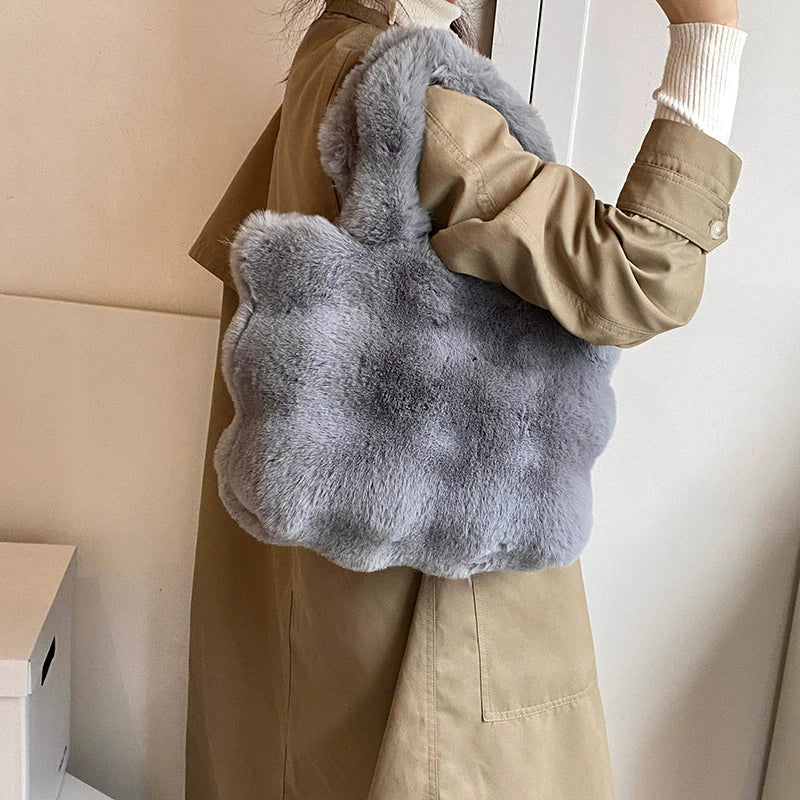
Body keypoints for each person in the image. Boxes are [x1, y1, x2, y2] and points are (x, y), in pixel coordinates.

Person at [185, 1, 747, 797]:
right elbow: (642, 278)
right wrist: (707, 32)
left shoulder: (331, 50)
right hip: (441, 609)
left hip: (339, 605)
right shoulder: (423, 104)